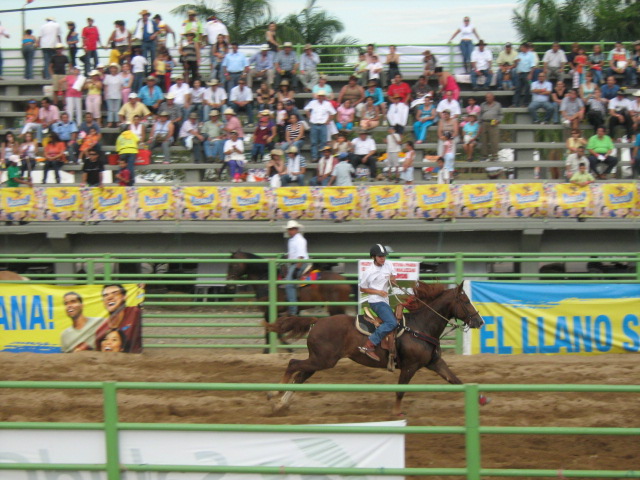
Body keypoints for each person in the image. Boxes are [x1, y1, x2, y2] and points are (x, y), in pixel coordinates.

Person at [358, 244, 397, 362]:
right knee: (391, 322)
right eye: (380, 256)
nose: (383, 258)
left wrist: (392, 279)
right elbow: (362, 288)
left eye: (384, 256)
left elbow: (393, 276)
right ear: (373, 257)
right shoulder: (368, 272)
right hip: (375, 301)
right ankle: (369, 344)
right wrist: (378, 292)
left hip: (385, 300)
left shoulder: (389, 265)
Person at [94, 284, 142, 353]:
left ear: (124, 297)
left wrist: (142, 289)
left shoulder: (135, 312)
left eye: (115, 293)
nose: (109, 297)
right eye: (105, 295)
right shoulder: (100, 330)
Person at [284, 220, 309, 316]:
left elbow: (301, 256)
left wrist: (297, 269)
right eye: (289, 229)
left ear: (296, 229)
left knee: (289, 284)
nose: (290, 231)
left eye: (292, 229)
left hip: (299, 264)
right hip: (294, 263)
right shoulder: (293, 240)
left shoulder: (299, 240)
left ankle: (293, 311)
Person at [304, 90, 336, 160]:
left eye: (322, 96)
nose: (321, 97)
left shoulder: (327, 104)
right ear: (318, 96)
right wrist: (309, 117)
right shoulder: (312, 103)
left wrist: (328, 121)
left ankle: (322, 156)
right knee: (314, 142)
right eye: (320, 96)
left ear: (324, 97)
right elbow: (306, 109)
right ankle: (314, 157)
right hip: (314, 124)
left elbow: (333, 113)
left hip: (323, 124)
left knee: (323, 142)